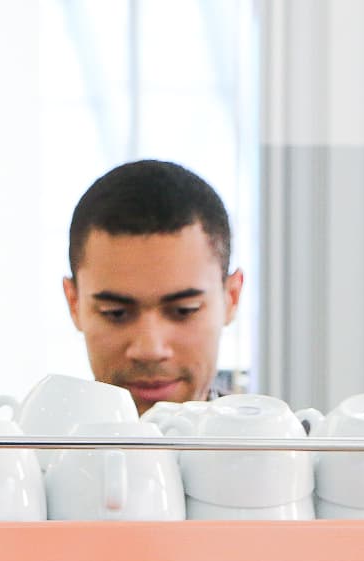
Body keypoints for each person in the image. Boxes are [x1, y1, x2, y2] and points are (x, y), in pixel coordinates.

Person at [62, 159, 245, 412]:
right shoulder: (23, 451)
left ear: (231, 298)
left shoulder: (290, 450)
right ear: (74, 303)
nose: (150, 349)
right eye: (116, 313)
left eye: (184, 310)